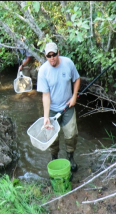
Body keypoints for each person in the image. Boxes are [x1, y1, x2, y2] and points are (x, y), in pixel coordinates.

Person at [37, 42, 81, 172]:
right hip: (52, 109)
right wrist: (46, 117)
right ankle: (54, 157)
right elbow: (45, 96)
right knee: (52, 138)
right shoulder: (43, 71)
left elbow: (77, 79)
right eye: (49, 56)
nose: (52, 58)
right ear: (45, 56)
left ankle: (70, 157)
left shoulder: (68, 63)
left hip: (68, 106)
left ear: (58, 53)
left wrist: (74, 96)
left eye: (54, 54)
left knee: (71, 135)